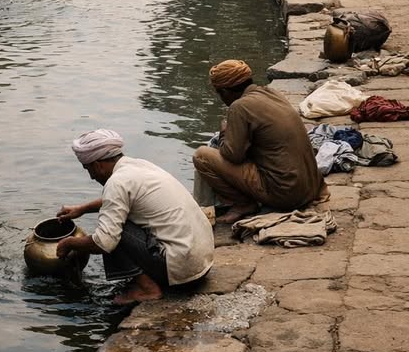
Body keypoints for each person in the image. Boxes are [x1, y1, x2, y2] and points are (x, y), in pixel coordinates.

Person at [55, 129, 214, 304]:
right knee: (114, 218)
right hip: (202, 263)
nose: (91, 177)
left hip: (183, 272)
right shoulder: (138, 166)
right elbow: (119, 200)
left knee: (111, 231)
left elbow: (104, 242)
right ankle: (145, 279)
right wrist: (82, 209)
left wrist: (69, 243)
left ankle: (147, 289)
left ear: (97, 165)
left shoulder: (117, 182)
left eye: (88, 169)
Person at [193, 60, 328, 224]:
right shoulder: (272, 93)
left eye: (219, 93)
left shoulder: (239, 107)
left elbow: (232, 156)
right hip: (311, 188)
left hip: (287, 194)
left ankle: (243, 204)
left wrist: (224, 132)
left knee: (202, 156)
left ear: (225, 91)